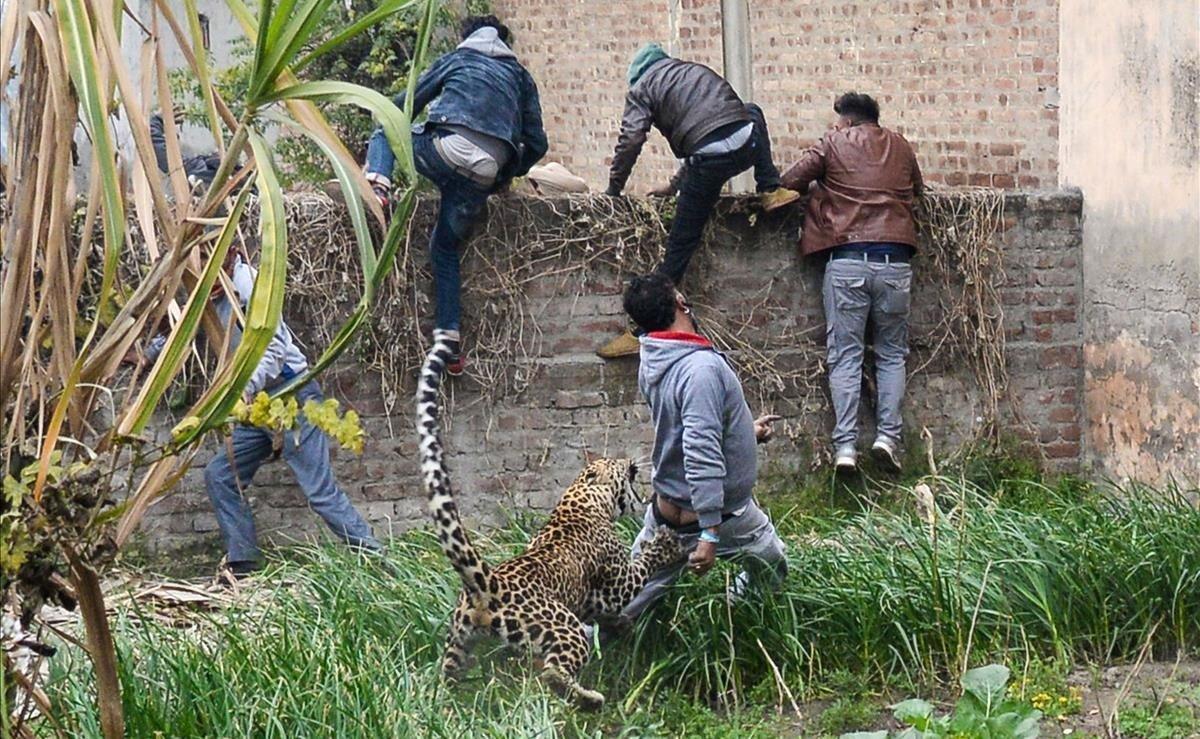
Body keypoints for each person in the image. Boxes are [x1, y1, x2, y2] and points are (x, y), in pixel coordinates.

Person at [363, 14, 547, 376]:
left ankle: (378, 190)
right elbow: (538, 143)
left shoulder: (458, 59)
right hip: (484, 171)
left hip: (446, 148)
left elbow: (401, 107)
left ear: (465, 37)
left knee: (386, 130)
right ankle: (450, 346)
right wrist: (504, 174)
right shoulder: (520, 77)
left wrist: (378, 113)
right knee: (445, 249)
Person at [596, 43, 799, 359]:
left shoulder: (642, 88)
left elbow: (632, 139)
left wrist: (613, 188)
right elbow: (710, 130)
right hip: (747, 142)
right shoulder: (691, 71)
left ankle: (643, 331)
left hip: (710, 159)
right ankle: (770, 187)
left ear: (637, 76)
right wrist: (673, 186)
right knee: (752, 111)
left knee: (680, 243)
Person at [611, 272, 788, 630]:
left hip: (665, 509)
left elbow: (684, 428)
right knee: (771, 562)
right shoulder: (701, 369)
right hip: (718, 514)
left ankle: (566, 647)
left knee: (623, 601)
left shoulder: (656, 354)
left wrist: (743, 433)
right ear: (680, 302)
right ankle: (736, 613)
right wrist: (709, 532)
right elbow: (700, 451)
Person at [195, 253, 381, 578]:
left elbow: (275, 348)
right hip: (258, 403)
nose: (201, 268)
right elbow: (180, 321)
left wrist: (243, 387)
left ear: (227, 253)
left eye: (207, 259)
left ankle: (380, 563)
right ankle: (244, 565)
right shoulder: (204, 286)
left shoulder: (250, 284)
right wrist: (147, 355)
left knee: (319, 492)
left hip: (289, 393)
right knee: (221, 475)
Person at [780, 92, 924, 473]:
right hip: (895, 261)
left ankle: (846, 448)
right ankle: (886, 439)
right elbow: (918, 192)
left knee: (846, 355)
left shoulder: (832, 143)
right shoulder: (902, 146)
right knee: (891, 354)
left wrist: (820, 191)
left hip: (847, 261)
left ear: (846, 122)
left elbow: (789, 181)